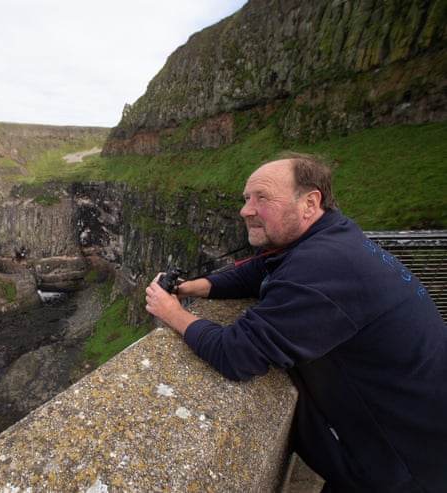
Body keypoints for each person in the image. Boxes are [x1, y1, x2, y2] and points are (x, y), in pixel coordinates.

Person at [145, 153, 447, 492]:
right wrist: (195, 288)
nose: (246, 210)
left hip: (403, 466)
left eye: (262, 198)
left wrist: (171, 311)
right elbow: (262, 268)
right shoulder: (335, 236)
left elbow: (237, 354)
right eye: (247, 198)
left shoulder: (322, 268)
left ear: (309, 202)